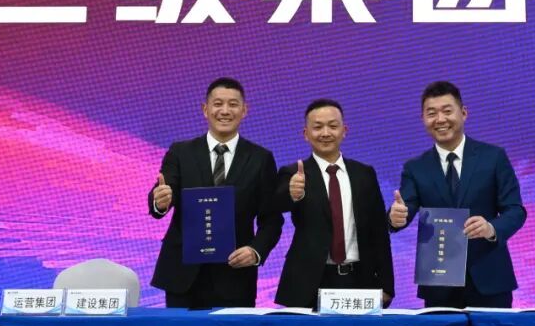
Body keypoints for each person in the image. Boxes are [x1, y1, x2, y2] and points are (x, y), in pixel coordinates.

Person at [148, 78, 283, 309]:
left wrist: (255, 251)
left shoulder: (260, 158)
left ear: (244, 110)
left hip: (235, 275)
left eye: (233, 104)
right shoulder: (181, 152)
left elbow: (271, 218)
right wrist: (159, 201)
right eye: (218, 104)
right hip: (183, 275)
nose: (225, 111)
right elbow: (161, 195)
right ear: (205, 109)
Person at [388, 81, 526, 308]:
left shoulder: (493, 157)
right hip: (438, 283)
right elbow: (405, 209)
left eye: (447, 111)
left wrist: (491, 228)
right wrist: (395, 218)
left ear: (464, 113)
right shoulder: (415, 168)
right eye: (431, 113)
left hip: (490, 279)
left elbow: (515, 210)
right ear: (423, 119)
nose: (440, 119)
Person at [272, 99, 394, 308]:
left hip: (360, 280)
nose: (326, 133)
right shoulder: (293, 173)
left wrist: (387, 284)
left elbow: (379, 232)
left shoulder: (364, 174)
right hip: (309, 282)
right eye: (318, 127)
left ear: (344, 131)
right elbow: (275, 205)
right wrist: (292, 194)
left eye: (333, 126)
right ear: (305, 134)